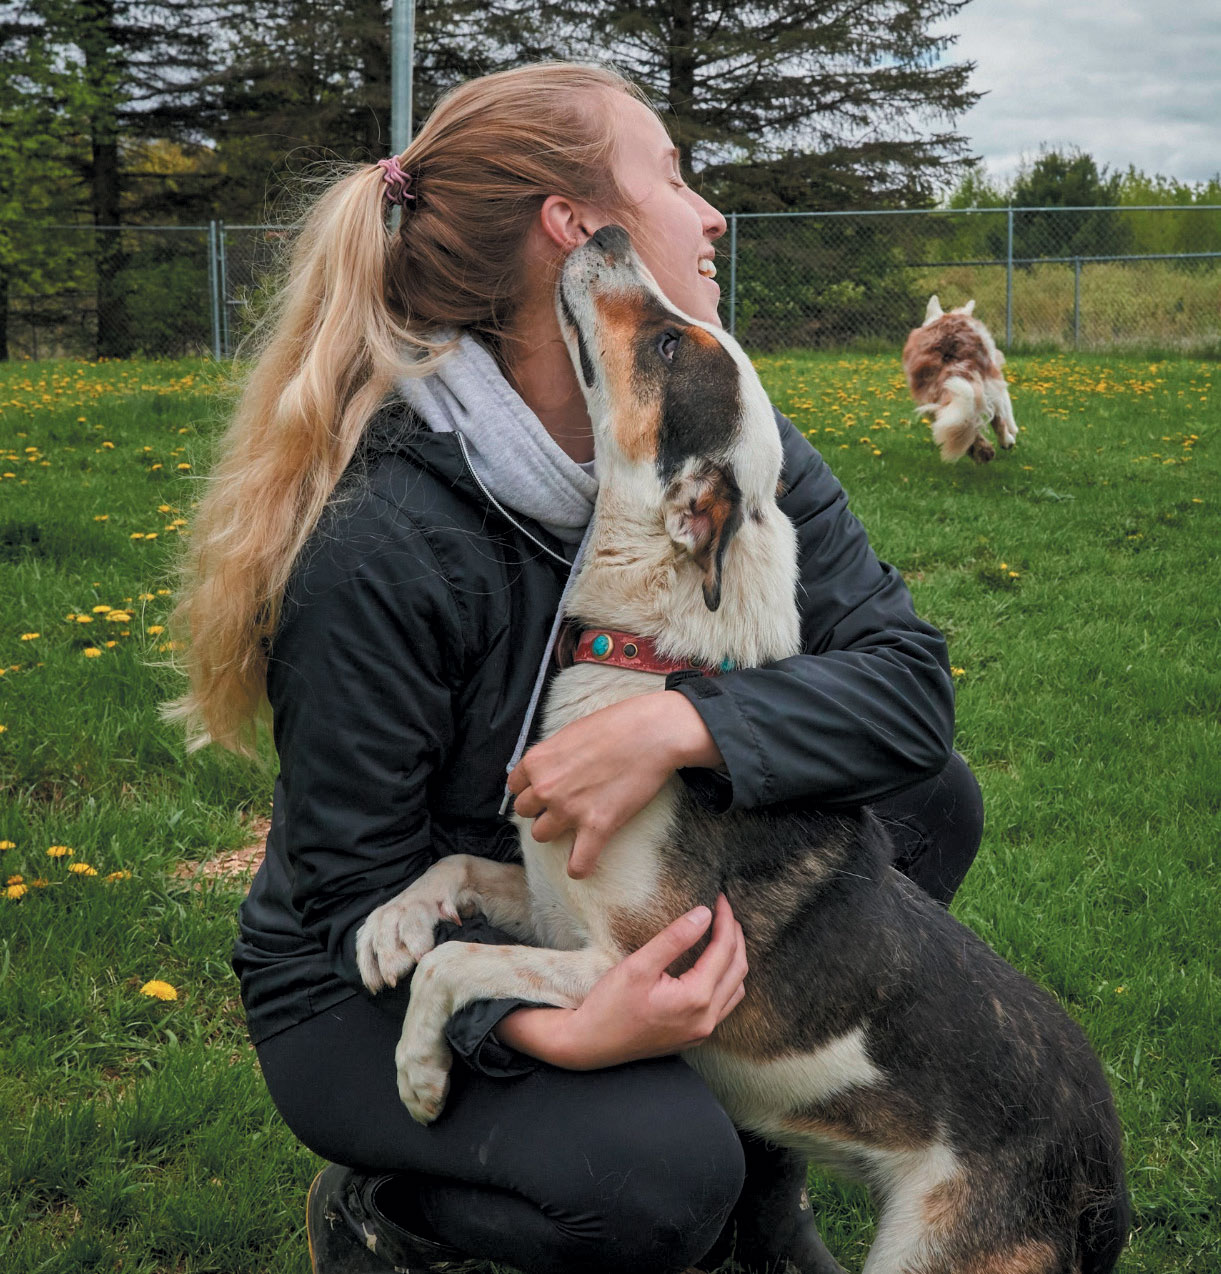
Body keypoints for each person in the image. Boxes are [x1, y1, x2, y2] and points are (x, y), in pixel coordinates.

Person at [171, 61, 983, 1274]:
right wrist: (567, 1029)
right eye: (670, 174)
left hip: (595, 880)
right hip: (366, 979)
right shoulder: (385, 536)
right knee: (656, 1175)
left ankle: (762, 1198)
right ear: (578, 228)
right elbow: (357, 900)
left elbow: (908, 684)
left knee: (927, 801)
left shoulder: (714, 420)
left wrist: (677, 727)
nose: (708, 213)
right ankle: (393, 1221)